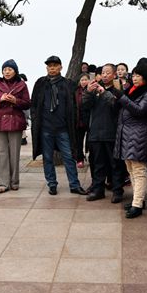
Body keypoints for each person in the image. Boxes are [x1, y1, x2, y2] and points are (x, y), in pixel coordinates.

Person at [31, 56, 89, 196]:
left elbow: (76, 104)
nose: (52, 68)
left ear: (60, 67)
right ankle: (52, 184)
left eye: (55, 65)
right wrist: (35, 120)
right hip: (45, 128)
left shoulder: (68, 84)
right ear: (47, 68)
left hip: (63, 128)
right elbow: (34, 104)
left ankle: (74, 185)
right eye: (49, 66)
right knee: (47, 157)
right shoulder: (40, 83)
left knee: (69, 157)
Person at [110, 63, 147, 218]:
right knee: (130, 168)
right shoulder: (131, 90)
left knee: (138, 170)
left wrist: (122, 97)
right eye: (134, 75)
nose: (134, 78)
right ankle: (138, 200)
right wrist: (119, 97)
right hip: (126, 134)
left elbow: (139, 110)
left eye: (138, 75)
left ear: (146, 77)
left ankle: (137, 204)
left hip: (138, 134)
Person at [83, 64, 127, 203]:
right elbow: (85, 106)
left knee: (115, 164)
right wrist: (88, 92)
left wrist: (104, 92)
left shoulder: (118, 90)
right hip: (96, 132)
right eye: (103, 73)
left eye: (108, 73)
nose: (105, 75)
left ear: (114, 75)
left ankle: (117, 191)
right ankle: (98, 190)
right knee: (98, 164)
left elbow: (115, 105)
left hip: (111, 133)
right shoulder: (94, 89)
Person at [0, 59, 31, 193]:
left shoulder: (22, 85)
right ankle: (2, 182)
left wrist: (15, 101)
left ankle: (14, 181)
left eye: (10, 69)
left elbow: (27, 103)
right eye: (4, 69)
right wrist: (0, 99)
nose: (7, 72)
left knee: (14, 153)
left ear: (15, 71)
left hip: (15, 122)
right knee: (0, 153)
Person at [74, 73, 91, 167]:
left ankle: (91, 157)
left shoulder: (92, 90)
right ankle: (80, 159)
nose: (84, 82)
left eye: (85, 79)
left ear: (89, 80)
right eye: (82, 80)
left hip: (90, 120)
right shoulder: (76, 91)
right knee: (79, 142)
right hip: (79, 120)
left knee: (90, 141)